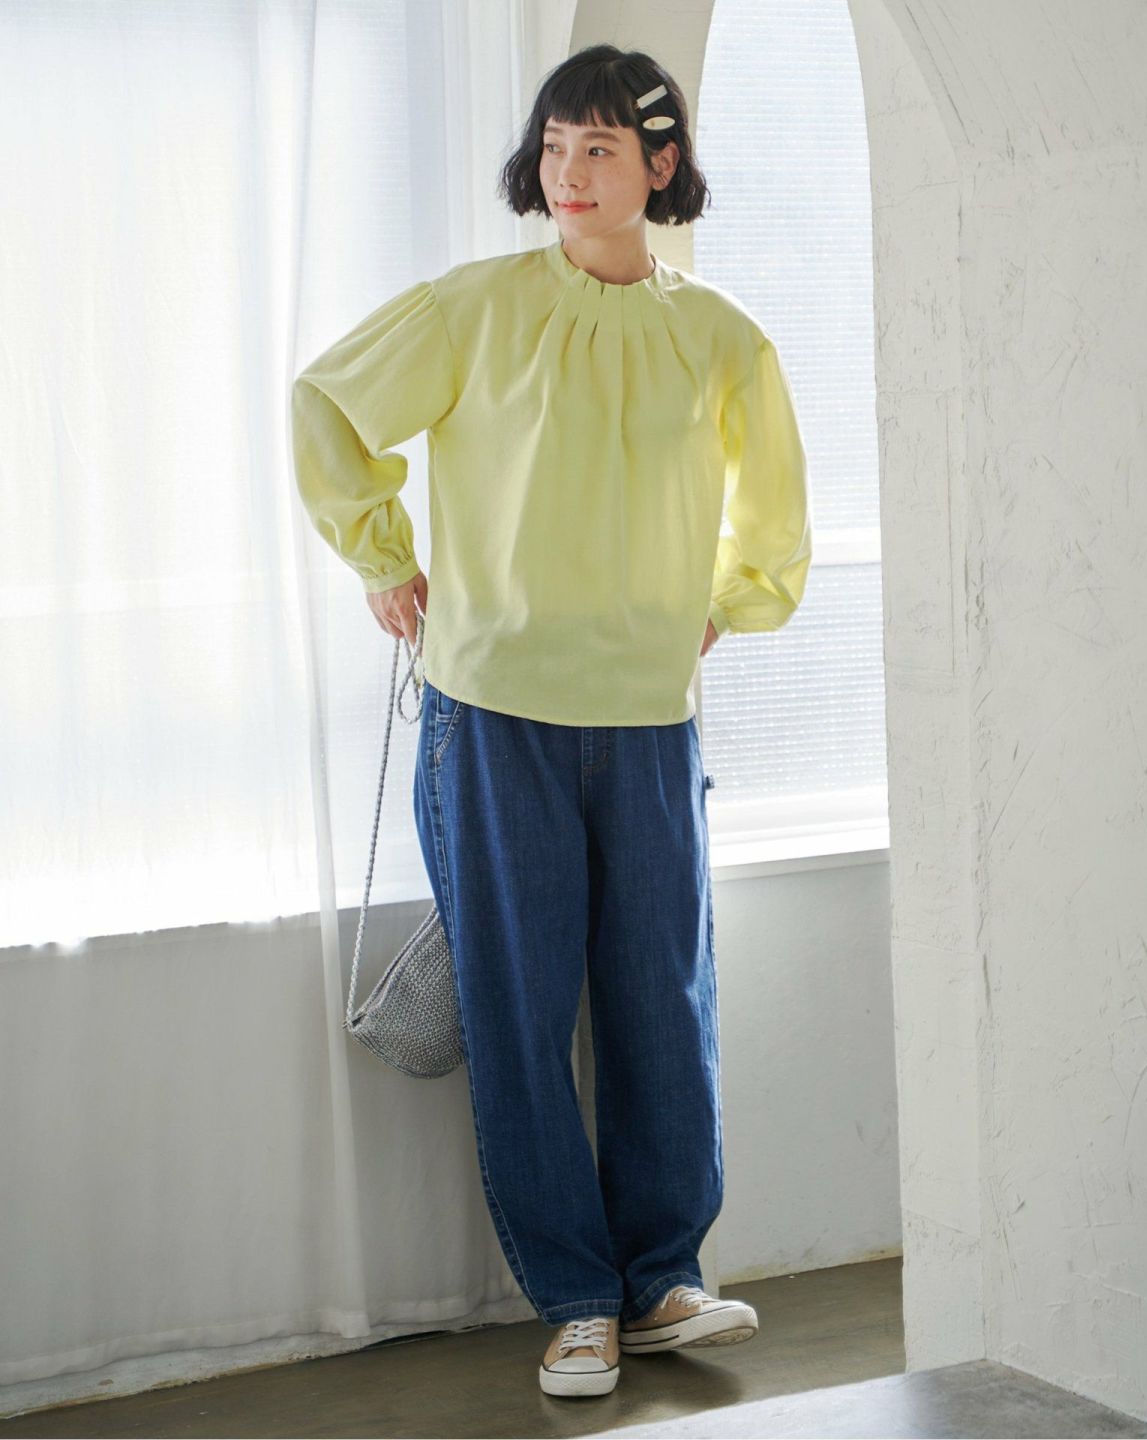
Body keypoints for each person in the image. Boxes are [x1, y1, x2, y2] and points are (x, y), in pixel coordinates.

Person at [290, 42, 812, 1400]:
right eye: (555, 146)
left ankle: (664, 1278)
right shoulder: (476, 309)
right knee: (521, 1012)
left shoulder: (722, 338)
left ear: (661, 164)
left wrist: (727, 605)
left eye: (600, 148)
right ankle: (576, 1301)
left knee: (661, 1000)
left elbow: (773, 517)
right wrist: (380, 555)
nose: (568, 173)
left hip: (645, 713)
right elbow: (327, 404)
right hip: (491, 712)